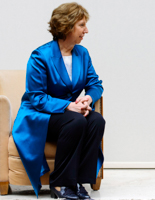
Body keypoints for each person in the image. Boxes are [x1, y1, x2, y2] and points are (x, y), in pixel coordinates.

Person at [12, 2, 105, 199]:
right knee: (77, 120)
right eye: (81, 25)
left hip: (67, 114)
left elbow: (95, 84)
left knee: (96, 120)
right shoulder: (40, 56)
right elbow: (36, 97)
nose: (86, 30)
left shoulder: (82, 53)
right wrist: (69, 105)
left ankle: (79, 181)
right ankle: (60, 183)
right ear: (67, 25)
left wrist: (87, 99)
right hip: (39, 114)